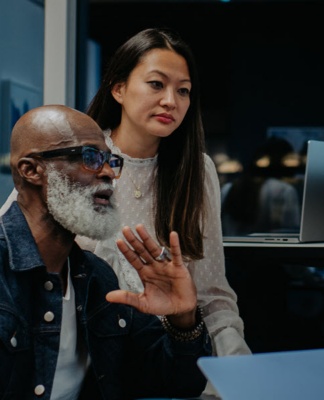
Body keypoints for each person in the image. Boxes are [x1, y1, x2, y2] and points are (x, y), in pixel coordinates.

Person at [0, 105, 211, 399]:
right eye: (89, 158)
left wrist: (183, 317)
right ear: (32, 170)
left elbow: (179, 382)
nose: (110, 172)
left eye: (110, 160)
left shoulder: (99, 279)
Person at [79, 27, 251, 367]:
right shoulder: (81, 158)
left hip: (168, 354)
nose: (171, 101)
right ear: (119, 88)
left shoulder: (196, 170)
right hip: (85, 352)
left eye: (183, 91)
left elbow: (211, 293)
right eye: (156, 84)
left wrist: (237, 370)